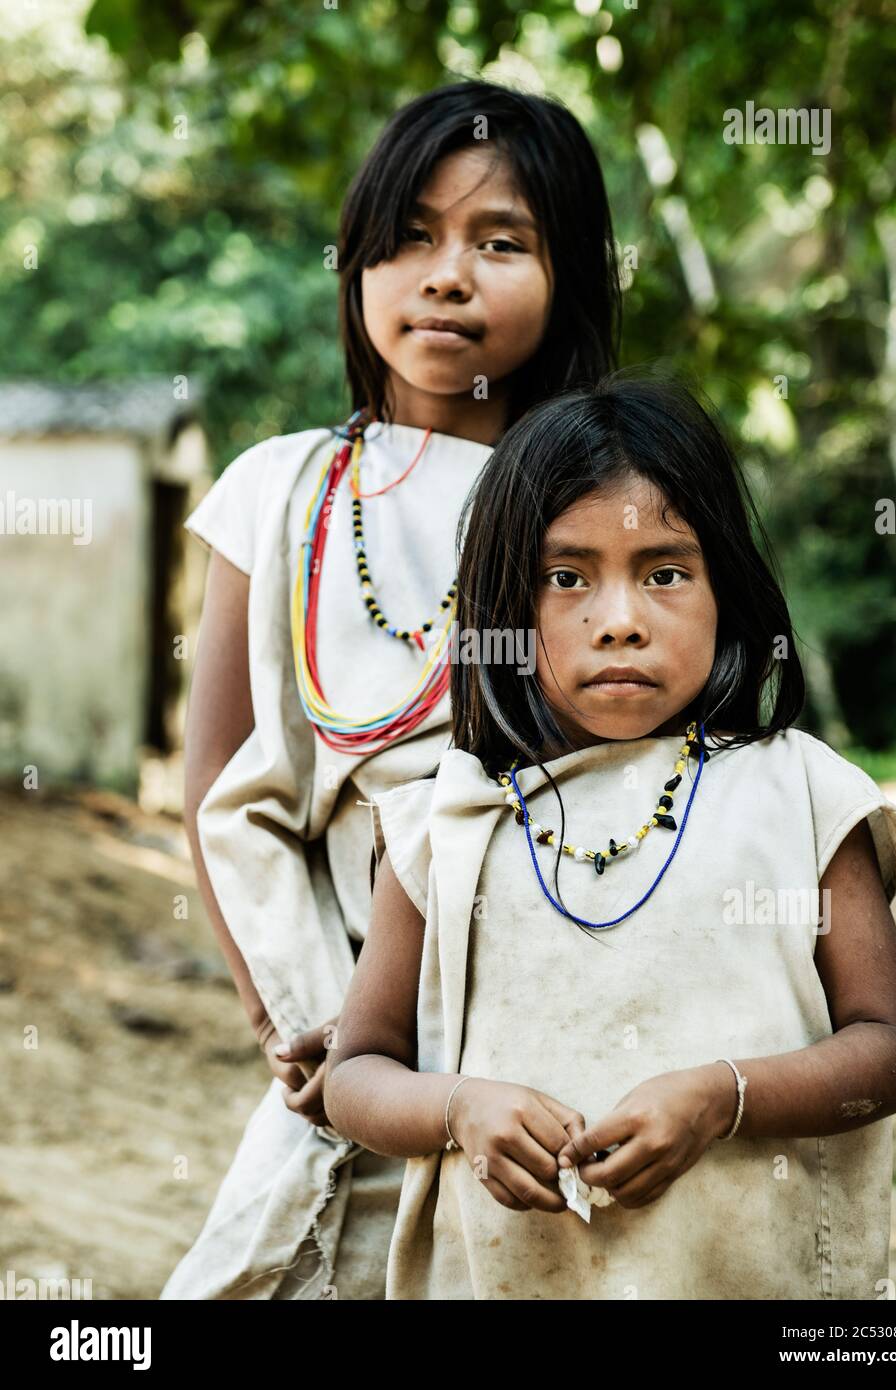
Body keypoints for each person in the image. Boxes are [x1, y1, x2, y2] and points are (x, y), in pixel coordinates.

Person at [160, 79, 622, 1300]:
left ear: (569, 273)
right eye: (408, 236)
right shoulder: (282, 491)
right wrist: (292, 1024)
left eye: (500, 241)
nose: (446, 274)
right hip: (347, 1033)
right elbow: (218, 782)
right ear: (355, 264)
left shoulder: (605, 508)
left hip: (545, 1024)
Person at [324, 371, 896, 1300]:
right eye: (567, 578)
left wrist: (720, 1099)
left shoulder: (798, 792)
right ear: (506, 609)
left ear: (726, 584)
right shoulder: (444, 818)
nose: (619, 623)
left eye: (666, 574)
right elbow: (354, 1075)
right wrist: (460, 1108)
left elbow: (889, 1051)